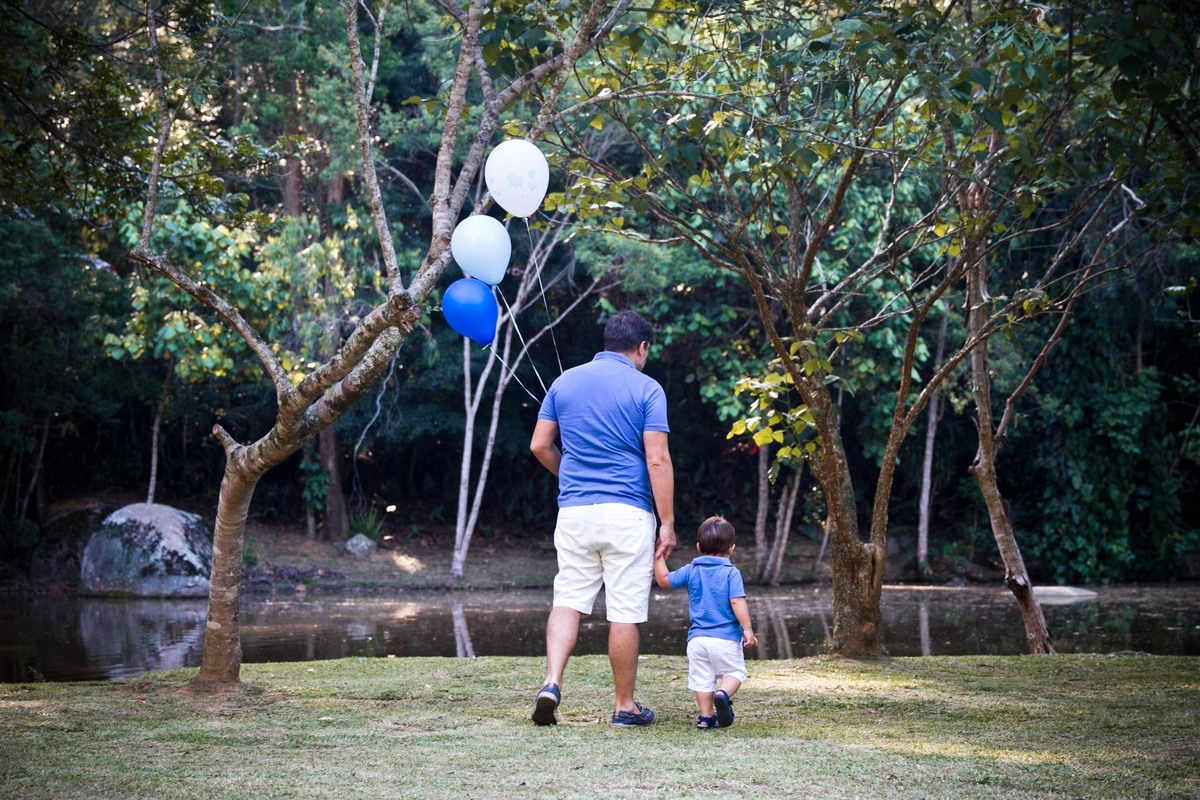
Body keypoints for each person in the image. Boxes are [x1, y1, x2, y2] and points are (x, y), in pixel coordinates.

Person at [528, 310, 676, 727]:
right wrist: (667, 522)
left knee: (568, 599)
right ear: (641, 347)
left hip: (574, 512)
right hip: (627, 512)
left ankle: (552, 683)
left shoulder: (565, 382)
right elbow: (658, 459)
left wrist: (570, 475)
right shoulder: (647, 388)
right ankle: (625, 707)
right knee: (624, 610)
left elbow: (540, 445)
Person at [654, 515, 757, 729]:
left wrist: (658, 558)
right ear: (731, 549)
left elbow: (664, 580)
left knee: (702, 679)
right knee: (735, 672)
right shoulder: (731, 572)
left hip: (697, 640)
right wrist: (747, 629)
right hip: (726, 639)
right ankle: (723, 694)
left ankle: (706, 717)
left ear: (699, 546)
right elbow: (737, 601)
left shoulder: (692, 569)